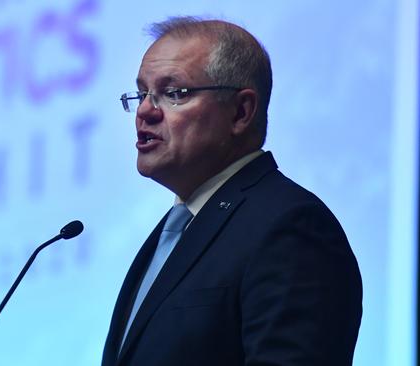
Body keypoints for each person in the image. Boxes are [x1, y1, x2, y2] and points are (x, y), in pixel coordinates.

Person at [102, 17, 362, 366]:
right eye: (143, 93)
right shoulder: (173, 231)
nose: (145, 111)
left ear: (241, 112)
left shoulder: (290, 228)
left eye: (174, 93)